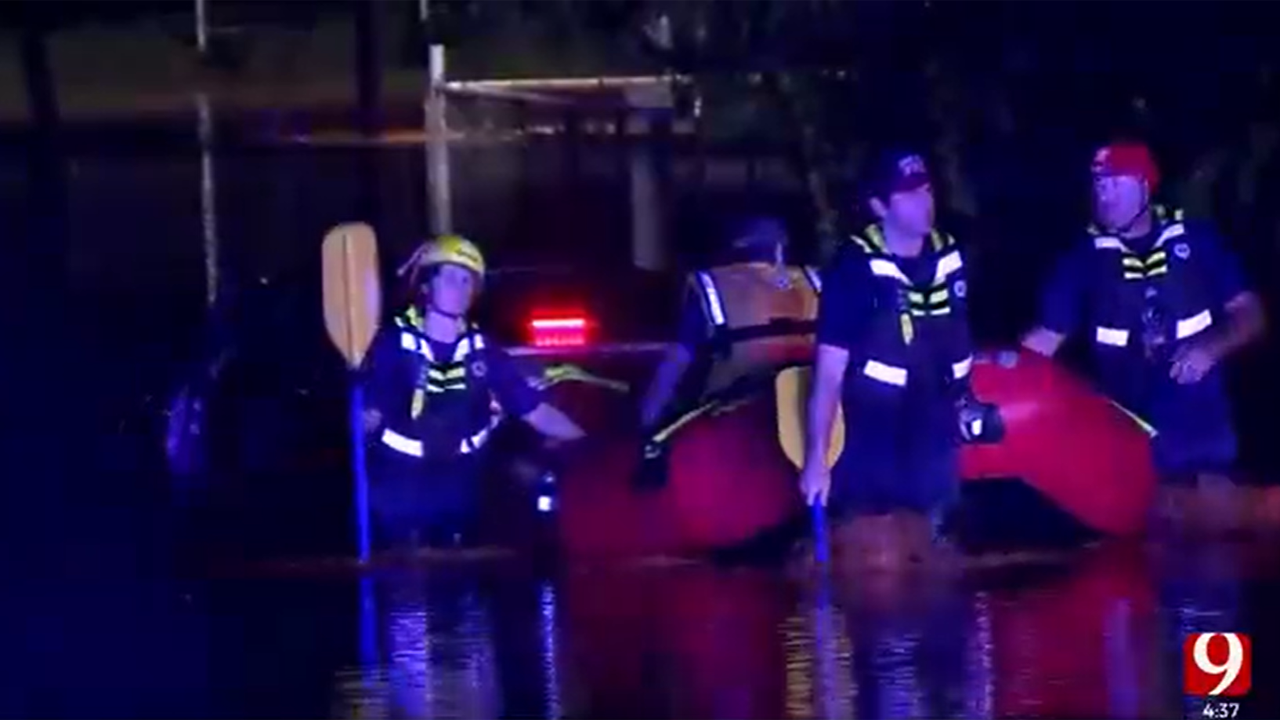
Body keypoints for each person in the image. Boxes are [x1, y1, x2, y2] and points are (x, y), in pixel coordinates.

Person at [1021, 141, 1266, 535]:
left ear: (1146, 186)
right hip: (1131, 449)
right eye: (1099, 185)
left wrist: (1211, 347)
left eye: (1117, 183)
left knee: (1214, 551)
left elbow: (1252, 315)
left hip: (1203, 442)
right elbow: (1042, 344)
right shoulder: (1081, 261)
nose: (1105, 195)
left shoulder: (1198, 242)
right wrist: (986, 379)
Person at [799, 149, 981, 570]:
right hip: (872, 431)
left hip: (934, 430)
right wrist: (816, 460)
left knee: (937, 554)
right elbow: (828, 374)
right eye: (908, 194)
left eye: (927, 189)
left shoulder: (949, 255)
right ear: (880, 206)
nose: (924, 202)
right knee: (874, 559)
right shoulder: (855, 268)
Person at [361, 234, 586, 550]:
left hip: (462, 498)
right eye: (450, 277)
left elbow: (535, 411)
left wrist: (591, 446)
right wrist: (363, 417)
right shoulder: (391, 345)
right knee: (408, 595)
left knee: (468, 591)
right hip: (401, 498)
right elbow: (367, 413)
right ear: (426, 284)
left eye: (468, 280)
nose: (461, 288)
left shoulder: (482, 351)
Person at [638, 215, 822, 429]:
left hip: (732, 418)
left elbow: (675, 365)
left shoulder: (713, 286)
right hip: (809, 416)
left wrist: (645, 425)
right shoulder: (814, 281)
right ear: (781, 247)